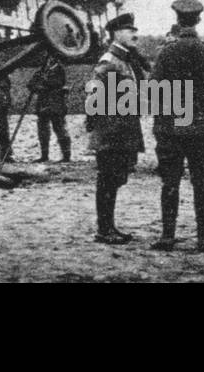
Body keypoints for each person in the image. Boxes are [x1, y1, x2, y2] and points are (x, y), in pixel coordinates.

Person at [151, 0, 204, 251]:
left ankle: (167, 236)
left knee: (170, 182)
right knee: (201, 181)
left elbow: (153, 90)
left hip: (170, 126)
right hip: (201, 126)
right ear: (198, 20)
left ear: (177, 20)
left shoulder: (165, 52)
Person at [88, 13, 145, 244]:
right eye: (129, 30)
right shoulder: (109, 61)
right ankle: (104, 230)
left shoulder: (125, 61)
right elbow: (95, 96)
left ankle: (109, 226)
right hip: (111, 132)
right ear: (116, 33)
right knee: (108, 180)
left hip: (123, 130)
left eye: (134, 29)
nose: (135, 34)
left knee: (116, 179)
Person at [29, 55, 71, 162]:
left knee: (60, 129)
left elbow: (57, 83)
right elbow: (30, 84)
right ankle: (44, 155)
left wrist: (43, 84)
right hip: (43, 103)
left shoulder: (59, 70)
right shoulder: (41, 71)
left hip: (56, 104)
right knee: (43, 131)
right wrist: (38, 86)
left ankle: (66, 155)